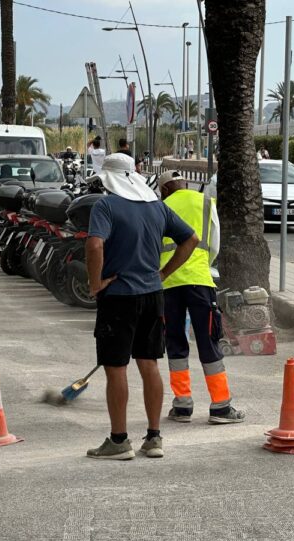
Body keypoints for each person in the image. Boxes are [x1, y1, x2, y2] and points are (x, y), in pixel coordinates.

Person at [85, 154, 199, 460]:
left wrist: (95, 283)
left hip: (118, 296)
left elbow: (95, 245)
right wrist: (162, 274)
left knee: (116, 368)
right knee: (149, 364)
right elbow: (192, 239)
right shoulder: (156, 206)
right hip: (152, 295)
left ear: (107, 179)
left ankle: (119, 440)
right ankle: (153, 437)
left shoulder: (105, 206)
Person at [157, 170, 245, 425]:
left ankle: (182, 406)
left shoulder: (160, 207)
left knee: (175, 342)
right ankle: (220, 407)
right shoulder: (205, 202)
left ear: (164, 189)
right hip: (199, 281)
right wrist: (202, 264)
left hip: (169, 283)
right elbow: (214, 244)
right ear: (185, 184)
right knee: (208, 341)